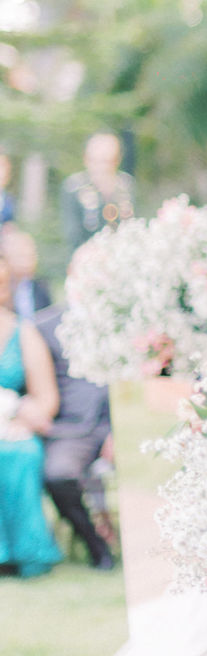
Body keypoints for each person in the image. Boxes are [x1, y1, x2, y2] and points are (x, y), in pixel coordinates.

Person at [35, 303, 115, 571]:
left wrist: (118, 431)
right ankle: (96, 545)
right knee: (58, 474)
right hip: (73, 429)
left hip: (125, 420)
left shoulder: (132, 315)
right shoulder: (44, 327)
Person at [0, 254, 62, 576]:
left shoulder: (23, 332)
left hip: (12, 428)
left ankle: (25, 553)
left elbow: (46, 400)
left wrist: (18, 416)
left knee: (20, 452)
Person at [60, 132, 135, 257]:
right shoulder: (74, 187)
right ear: (86, 159)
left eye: (108, 160)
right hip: (86, 258)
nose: (102, 167)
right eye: (96, 160)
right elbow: (73, 233)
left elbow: (132, 226)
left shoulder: (125, 186)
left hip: (121, 257)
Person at [2, 230, 51, 318]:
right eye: (21, 255)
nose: (28, 260)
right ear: (6, 257)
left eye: (31, 253)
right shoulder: (3, 291)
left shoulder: (42, 287)